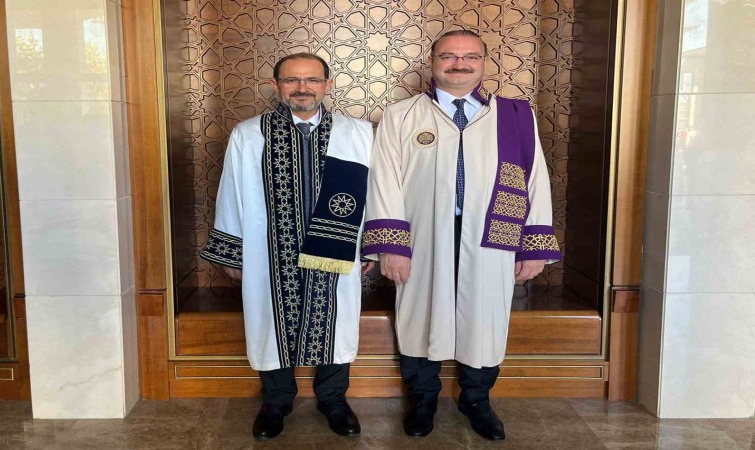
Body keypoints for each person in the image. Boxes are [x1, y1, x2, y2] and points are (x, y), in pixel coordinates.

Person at [362, 30, 561, 441]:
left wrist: (533, 245)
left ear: (484, 62)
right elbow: (384, 182)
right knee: (420, 317)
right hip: (421, 236)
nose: (460, 63)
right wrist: (391, 247)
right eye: (449, 56)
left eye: (470, 56)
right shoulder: (402, 115)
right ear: (432, 61)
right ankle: (423, 400)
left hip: (494, 236)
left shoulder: (515, 115)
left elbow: (535, 180)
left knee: (485, 317)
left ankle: (477, 400)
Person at [200, 53, 374, 440]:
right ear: (277, 85)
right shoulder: (250, 134)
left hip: (337, 244)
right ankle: (276, 401)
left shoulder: (357, 133)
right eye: (292, 80)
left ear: (327, 85)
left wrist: (370, 245)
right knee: (270, 318)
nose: (302, 88)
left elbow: (376, 193)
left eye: (311, 80)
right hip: (269, 250)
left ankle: (334, 399)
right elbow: (230, 193)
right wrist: (233, 252)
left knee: (335, 317)